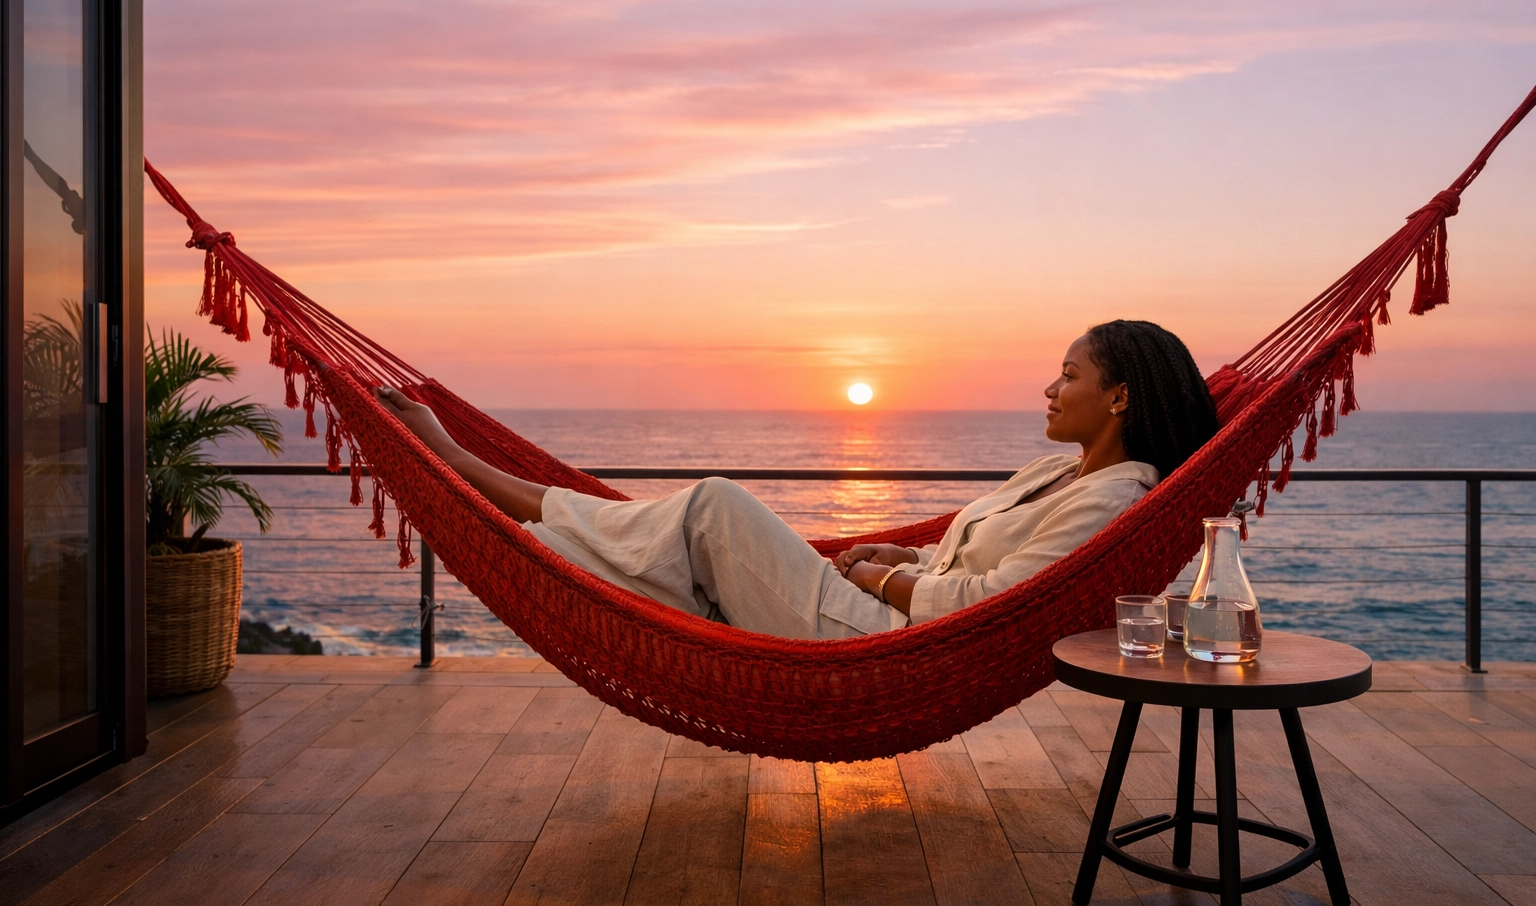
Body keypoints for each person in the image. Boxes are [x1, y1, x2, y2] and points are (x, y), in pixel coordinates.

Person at [375, 319, 1218, 640]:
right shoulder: (1055, 471)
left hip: (886, 643)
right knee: (656, 546)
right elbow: (967, 564)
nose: (1048, 388)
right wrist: (903, 557)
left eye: (1068, 374)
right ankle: (517, 529)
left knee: (714, 505)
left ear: (1119, 396)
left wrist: (880, 577)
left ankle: (469, 475)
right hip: (879, 608)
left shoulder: (1116, 498)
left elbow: (993, 607)